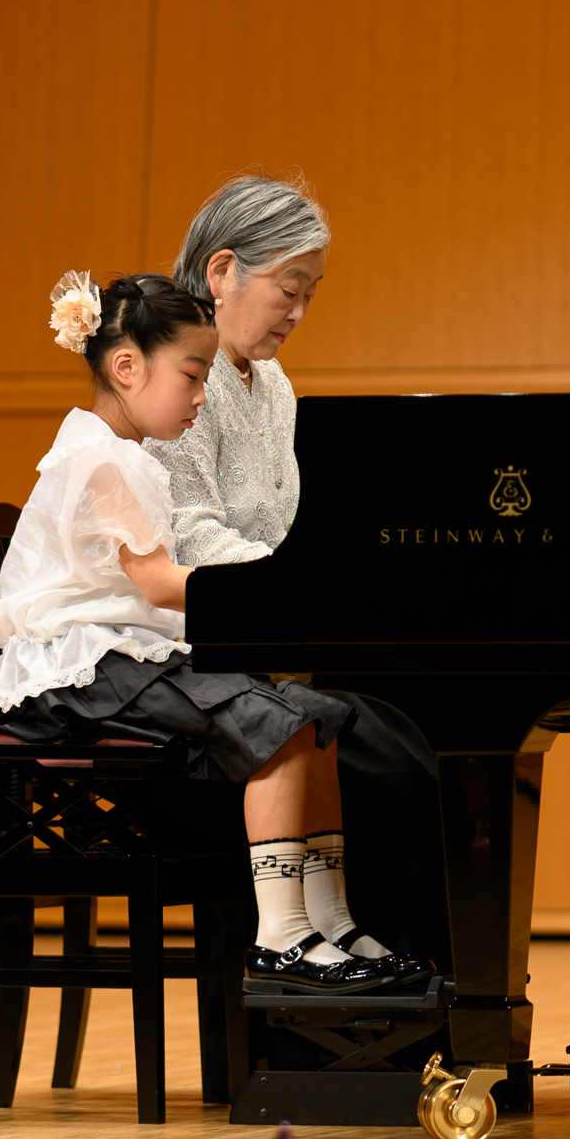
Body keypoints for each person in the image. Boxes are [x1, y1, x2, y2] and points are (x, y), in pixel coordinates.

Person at [0, 269, 411, 996]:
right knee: (273, 723)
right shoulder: (100, 461)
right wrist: (270, 589)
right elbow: (156, 582)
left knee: (317, 720)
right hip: (76, 673)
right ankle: (281, 935)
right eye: (192, 373)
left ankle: (331, 918)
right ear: (126, 366)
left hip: (119, 654)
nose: (203, 394)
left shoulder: (124, 456)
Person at [147, 175, 435, 982]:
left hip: (261, 631)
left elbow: (292, 521)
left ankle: (400, 974)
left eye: (312, 292)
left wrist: (320, 576)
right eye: (288, 288)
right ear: (223, 270)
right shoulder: (178, 374)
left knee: (413, 729)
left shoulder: (272, 385)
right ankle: (333, 989)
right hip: (193, 658)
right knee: (380, 746)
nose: (299, 311)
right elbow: (190, 532)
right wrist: (296, 581)